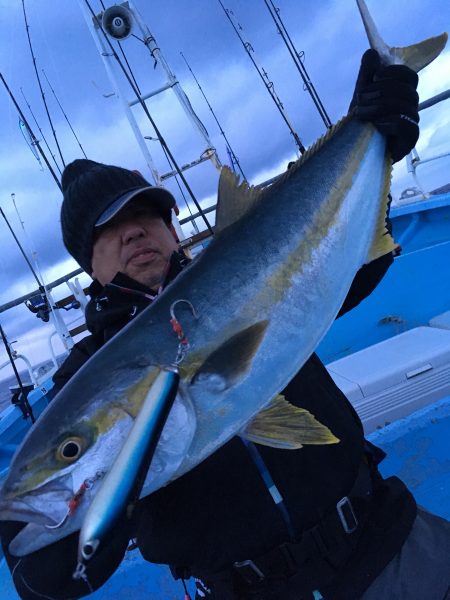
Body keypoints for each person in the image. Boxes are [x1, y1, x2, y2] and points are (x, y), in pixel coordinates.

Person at [2, 50, 450, 600]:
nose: (136, 232)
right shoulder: (85, 378)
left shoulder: (251, 263)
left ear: (170, 228)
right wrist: (81, 536)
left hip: (386, 540)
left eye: (146, 214)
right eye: (109, 228)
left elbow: (354, 265)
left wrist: (379, 138)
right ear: (86, 263)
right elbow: (35, 573)